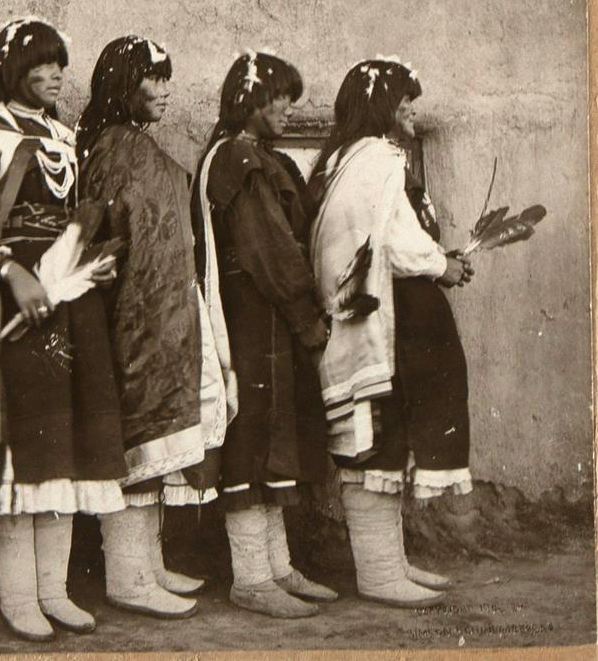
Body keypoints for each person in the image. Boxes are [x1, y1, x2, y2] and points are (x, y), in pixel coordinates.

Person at [0, 17, 129, 641]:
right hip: (15, 307)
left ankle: (55, 589)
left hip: (68, 302)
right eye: (41, 65)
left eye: (59, 65)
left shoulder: (64, 134)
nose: (54, 76)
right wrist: (11, 271)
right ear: (10, 69)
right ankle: (19, 596)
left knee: (65, 444)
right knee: (27, 448)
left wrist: (87, 262)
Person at [307, 57, 474, 608]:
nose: (412, 106)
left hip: (385, 317)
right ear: (380, 103)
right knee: (377, 438)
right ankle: (379, 574)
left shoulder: (345, 160)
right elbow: (395, 242)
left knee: (386, 433)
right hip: (383, 322)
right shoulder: (374, 160)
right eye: (404, 97)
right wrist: (440, 264)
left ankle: (392, 563)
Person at [76, 35, 228, 619]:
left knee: (159, 444)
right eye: (152, 79)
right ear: (123, 85)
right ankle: (127, 575)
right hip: (135, 315)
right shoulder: (116, 151)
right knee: (139, 440)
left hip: (163, 311)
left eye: (167, 79)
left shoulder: (132, 147)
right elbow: (119, 235)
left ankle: (149, 562)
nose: (164, 91)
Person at [191, 50, 337, 619]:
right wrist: (308, 316)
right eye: (278, 96)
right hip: (250, 315)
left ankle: (277, 567)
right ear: (249, 98)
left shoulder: (255, 158)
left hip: (264, 315)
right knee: (251, 436)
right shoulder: (237, 160)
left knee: (271, 432)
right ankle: (251, 577)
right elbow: (268, 250)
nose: (286, 108)